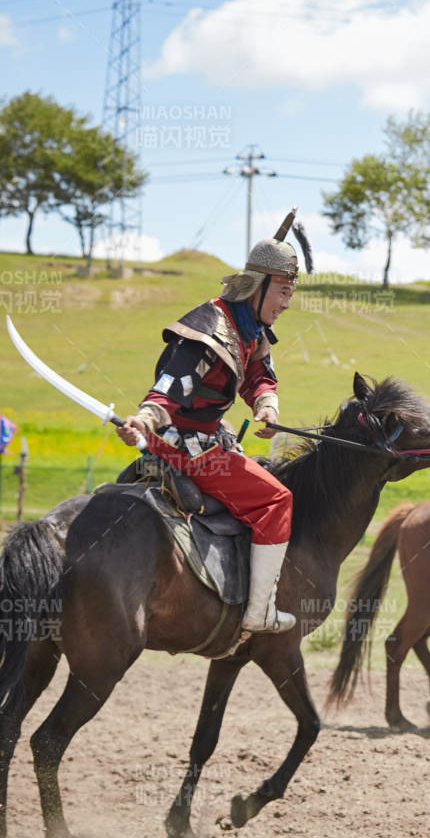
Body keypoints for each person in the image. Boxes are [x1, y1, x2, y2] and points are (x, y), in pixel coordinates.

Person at [115, 208, 312, 634]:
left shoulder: (249, 328)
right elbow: (169, 389)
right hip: (186, 448)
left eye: (290, 294)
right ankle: (259, 612)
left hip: (204, 438)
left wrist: (266, 407)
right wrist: (144, 420)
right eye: (282, 292)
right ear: (258, 285)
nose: (285, 304)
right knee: (277, 500)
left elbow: (258, 376)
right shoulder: (207, 330)